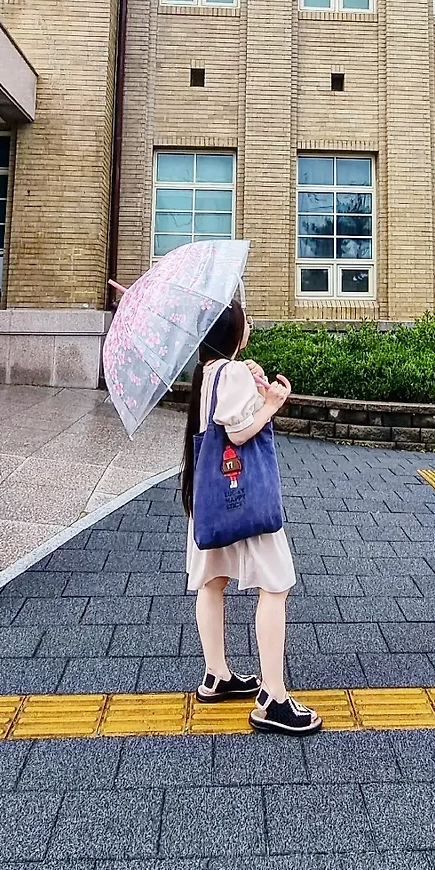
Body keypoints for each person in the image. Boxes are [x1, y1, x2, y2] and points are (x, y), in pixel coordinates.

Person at [181, 297, 322, 736]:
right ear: (233, 332)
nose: (250, 325)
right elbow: (240, 431)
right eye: (246, 320)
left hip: (211, 496)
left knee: (212, 581)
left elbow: (225, 421)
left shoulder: (207, 372)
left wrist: (254, 389)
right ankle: (273, 699)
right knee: (276, 584)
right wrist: (273, 402)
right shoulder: (233, 372)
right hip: (246, 498)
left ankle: (216, 675)